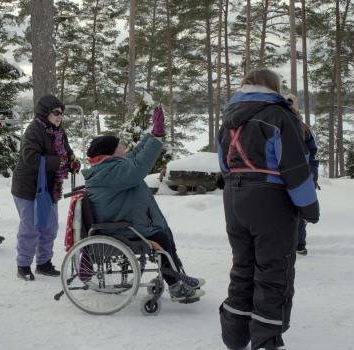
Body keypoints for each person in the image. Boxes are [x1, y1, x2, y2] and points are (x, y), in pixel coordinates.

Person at [216, 68, 320, 350]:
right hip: (270, 200)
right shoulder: (279, 116)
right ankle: (266, 342)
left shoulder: (228, 120)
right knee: (273, 272)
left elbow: (224, 165)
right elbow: (296, 169)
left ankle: (235, 338)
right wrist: (309, 208)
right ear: (274, 87)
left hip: (234, 198)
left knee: (243, 268)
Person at [81, 107, 205, 303]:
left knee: (165, 233)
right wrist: (156, 136)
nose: (124, 148)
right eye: (119, 146)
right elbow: (139, 166)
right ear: (110, 153)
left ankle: (177, 274)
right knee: (161, 238)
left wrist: (153, 135)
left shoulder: (109, 167)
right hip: (121, 229)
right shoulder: (111, 172)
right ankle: (175, 286)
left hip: (127, 223)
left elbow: (135, 155)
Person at [11, 95, 80, 281]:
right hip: (28, 188)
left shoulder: (58, 132)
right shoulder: (33, 131)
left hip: (49, 187)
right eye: (56, 113)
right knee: (31, 228)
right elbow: (30, 158)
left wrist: (72, 162)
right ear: (44, 113)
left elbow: (67, 153)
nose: (60, 117)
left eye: (61, 113)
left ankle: (43, 263)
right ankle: (23, 265)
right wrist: (59, 162)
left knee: (49, 227)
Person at [284, 94, 320, 256]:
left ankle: (299, 244)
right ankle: (286, 244)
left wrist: (312, 177)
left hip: (301, 175)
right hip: (280, 177)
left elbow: (313, 154)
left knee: (299, 211)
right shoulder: (276, 123)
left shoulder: (303, 128)